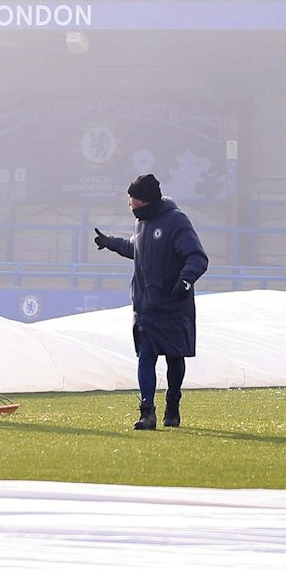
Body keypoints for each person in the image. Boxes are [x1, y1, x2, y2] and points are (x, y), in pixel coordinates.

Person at [93, 173, 208, 430]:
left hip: (173, 307)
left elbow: (197, 257)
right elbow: (136, 248)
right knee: (146, 357)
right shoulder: (142, 223)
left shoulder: (176, 221)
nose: (129, 203)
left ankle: (173, 406)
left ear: (144, 201)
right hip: (146, 308)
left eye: (132, 198)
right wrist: (110, 242)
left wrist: (185, 281)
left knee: (175, 359)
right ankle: (147, 412)